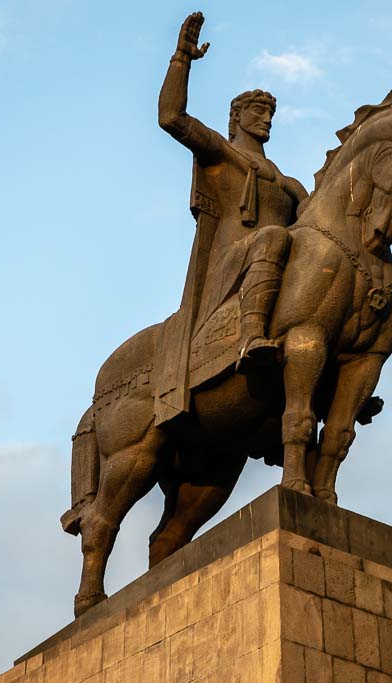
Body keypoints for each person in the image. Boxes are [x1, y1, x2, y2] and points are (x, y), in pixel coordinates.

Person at [153, 11, 308, 426]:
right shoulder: (223, 153)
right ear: (237, 117)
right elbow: (172, 118)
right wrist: (181, 60)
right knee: (273, 236)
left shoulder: (290, 183)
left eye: (270, 112)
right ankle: (250, 336)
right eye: (258, 111)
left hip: (272, 259)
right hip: (229, 262)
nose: (267, 118)